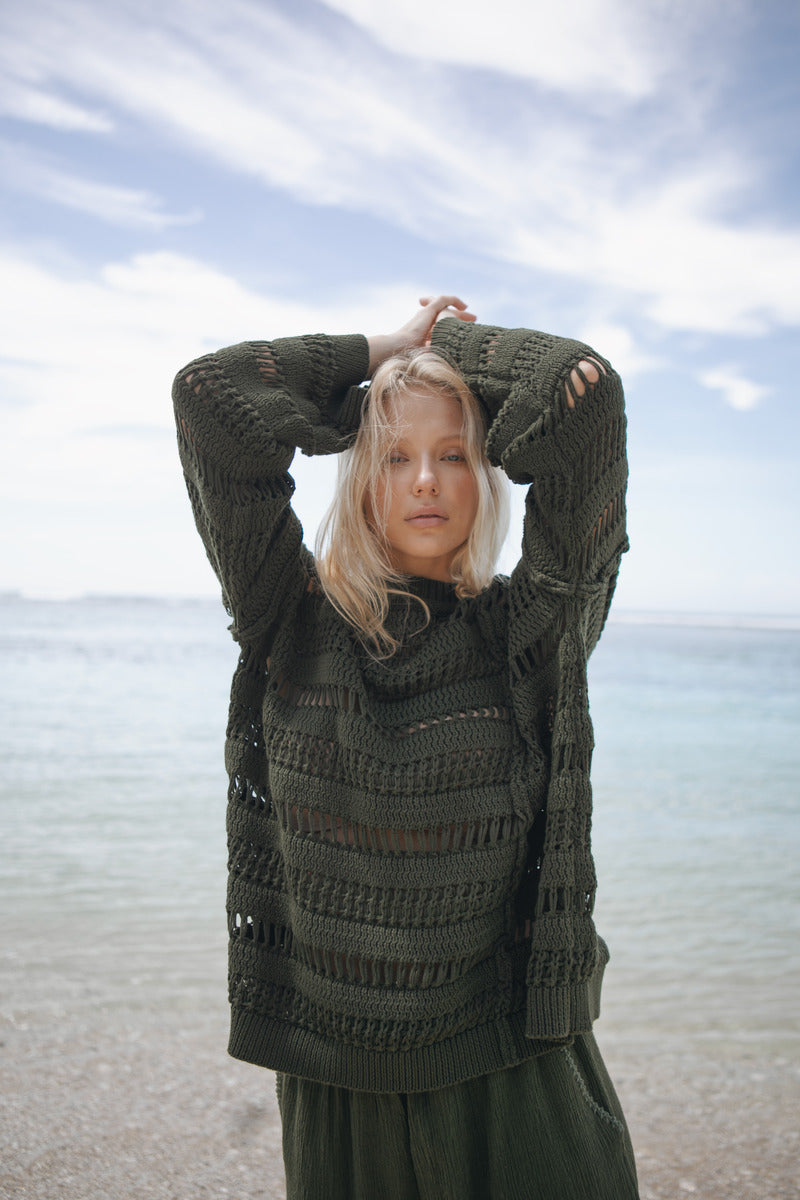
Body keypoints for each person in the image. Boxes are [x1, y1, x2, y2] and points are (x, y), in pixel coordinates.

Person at [173, 295, 638, 1199]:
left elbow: (583, 397)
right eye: (395, 455)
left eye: (455, 454)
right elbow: (209, 397)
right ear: (362, 477)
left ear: (486, 472)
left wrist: (452, 349)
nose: (426, 479)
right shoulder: (286, 617)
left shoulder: (532, 632)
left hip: (516, 1075)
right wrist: (381, 350)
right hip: (339, 1088)